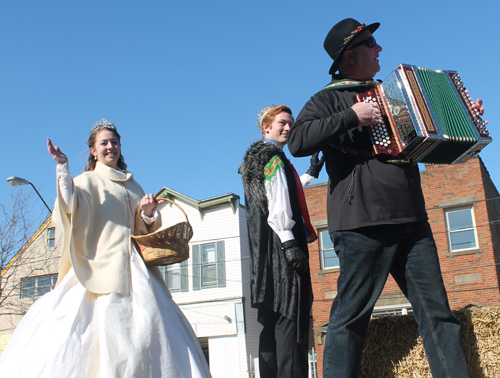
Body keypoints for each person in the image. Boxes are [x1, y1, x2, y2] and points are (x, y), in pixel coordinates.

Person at [287, 19, 484, 378]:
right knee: (350, 320)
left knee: (438, 315)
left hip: (412, 218)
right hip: (364, 222)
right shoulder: (328, 98)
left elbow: (427, 141)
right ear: (349, 55)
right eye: (371, 43)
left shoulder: (393, 94)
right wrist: (352, 116)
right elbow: (298, 141)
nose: (379, 49)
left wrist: (464, 123)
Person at [0, 119, 211, 378]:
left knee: (150, 333)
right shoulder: (88, 181)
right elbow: (69, 206)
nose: (110, 147)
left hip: (136, 270)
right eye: (104, 143)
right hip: (98, 267)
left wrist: (147, 214)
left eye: (114, 142)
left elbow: (142, 231)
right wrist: (62, 168)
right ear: (93, 150)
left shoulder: (134, 185)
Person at [238, 105, 324, 378]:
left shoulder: (260, 158)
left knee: (273, 320)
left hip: (265, 251)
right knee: (290, 317)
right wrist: (289, 243)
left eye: (291, 124)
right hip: (282, 249)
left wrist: (309, 175)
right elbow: (278, 205)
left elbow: (279, 191)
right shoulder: (273, 158)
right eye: (282, 123)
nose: (288, 128)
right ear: (266, 127)